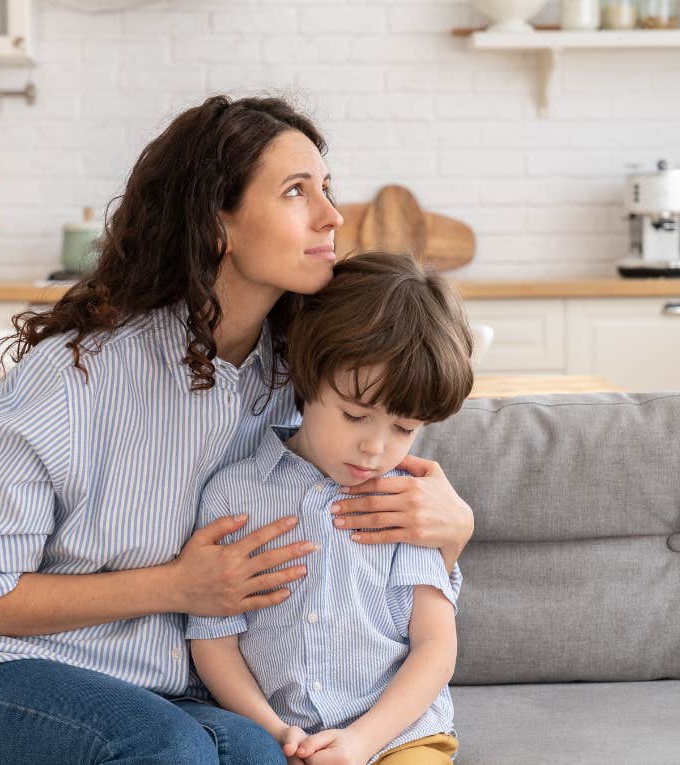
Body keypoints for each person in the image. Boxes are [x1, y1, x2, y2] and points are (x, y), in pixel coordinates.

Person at [0, 95, 476, 765]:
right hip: (5, 677)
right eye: (295, 191)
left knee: (260, 756)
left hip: (180, 692)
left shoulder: (304, 381)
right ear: (217, 222)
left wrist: (451, 531)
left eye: (326, 188)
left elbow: (365, 548)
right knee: (167, 749)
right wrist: (176, 585)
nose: (332, 215)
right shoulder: (77, 375)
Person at [187, 252, 474, 765]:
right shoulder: (233, 495)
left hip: (395, 736)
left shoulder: (406, 504)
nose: (376, 449)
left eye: (404, 429)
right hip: (269, 736)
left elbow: (435, 646)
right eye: (354, 415)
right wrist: (274, 731)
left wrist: (362, 741)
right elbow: (214, 642)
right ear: (304, 373)